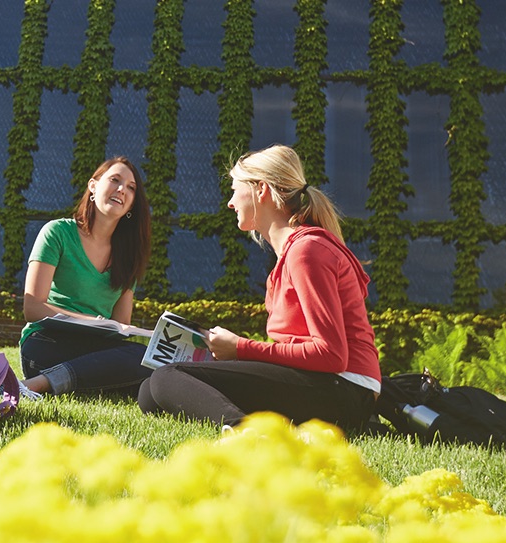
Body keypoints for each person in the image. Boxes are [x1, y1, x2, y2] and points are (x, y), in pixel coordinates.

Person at [136, 144, 381, 428]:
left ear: (261, 190)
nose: (230, 202)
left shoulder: (306, 251)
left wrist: (241, 348)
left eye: (234, 189)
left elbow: (331, 355)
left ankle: (244, 433)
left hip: (345, 390)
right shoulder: (290, 254)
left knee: (168, 376)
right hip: (330, 386)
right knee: (150, 393)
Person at [18, 157, 153, 397]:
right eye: (115, 180)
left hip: (95, 350)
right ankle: (38, 383)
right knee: (135, 366)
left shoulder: (129, 256)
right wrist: (92, 321)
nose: (122, 190)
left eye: (131, 188)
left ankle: (50, 382)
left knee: (146, 357)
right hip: (47, 343)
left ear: (132, 204)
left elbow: (121, 325)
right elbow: (33, 308)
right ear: (93, 186)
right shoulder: (58, 232)